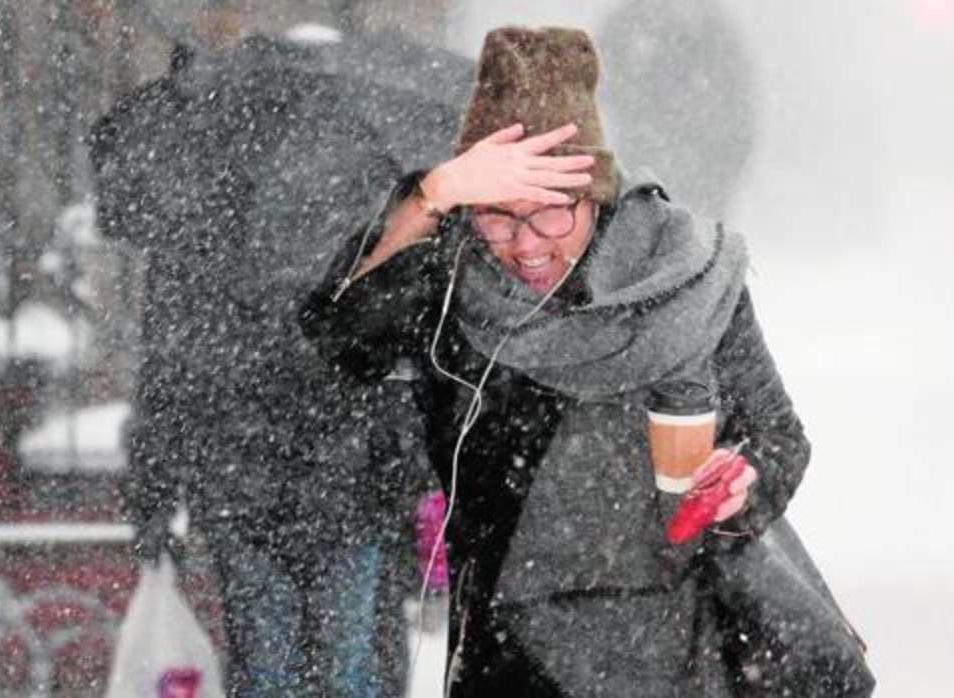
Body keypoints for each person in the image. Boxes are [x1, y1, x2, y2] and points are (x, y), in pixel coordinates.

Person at [302, 26, 875, 696]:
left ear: (596, 193)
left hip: (676, 651)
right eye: (497, 216)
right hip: (510, 658)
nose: (525, 245)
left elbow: (779, 437)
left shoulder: (684, 273)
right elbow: (339, 334)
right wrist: (432, 192)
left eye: (551, 214)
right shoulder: (450, 280)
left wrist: (742, 485)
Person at [89, 36, 438, 697]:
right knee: (344, 669)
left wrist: (155, 500)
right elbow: (393, 380)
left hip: (253, 488)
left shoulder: (197, 247)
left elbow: (169, 376)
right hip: (332, 493)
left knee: (274, 669)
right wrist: (402, 480)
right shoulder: (357, 246)